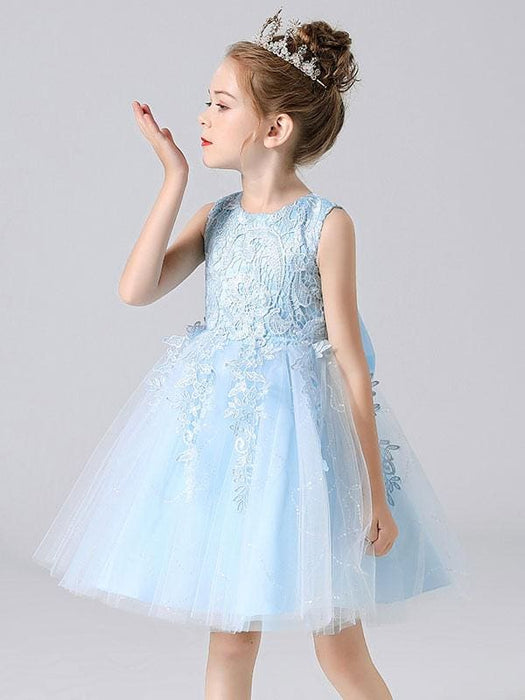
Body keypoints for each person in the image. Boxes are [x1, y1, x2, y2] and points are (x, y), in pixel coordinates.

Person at [32, 8, 469, 699]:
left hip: (306, 452)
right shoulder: (217, 219)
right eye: (207, 101)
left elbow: (353, 364)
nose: (202, 115)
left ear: (275, 129)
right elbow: (135, 290)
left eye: (221, 103)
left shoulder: (325, 224)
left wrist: (373, 494)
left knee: (339, 648)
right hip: (225, 453)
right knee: (231, 639)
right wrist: (173, 177)